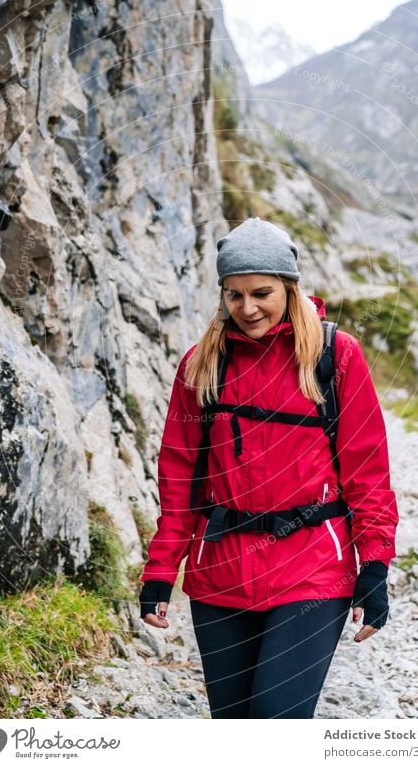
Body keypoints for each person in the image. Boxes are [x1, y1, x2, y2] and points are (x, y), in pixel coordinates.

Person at [138, 217, 399, 719]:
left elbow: (368, 473)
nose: (247, 308)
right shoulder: (202, 365)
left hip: (312, 570)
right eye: (233, 295)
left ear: (289, 287)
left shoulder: (334, 356)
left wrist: (375, 567)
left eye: (261, 292)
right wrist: (161, 571)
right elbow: (179, 480)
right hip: (221, 572)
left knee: (277, 721)